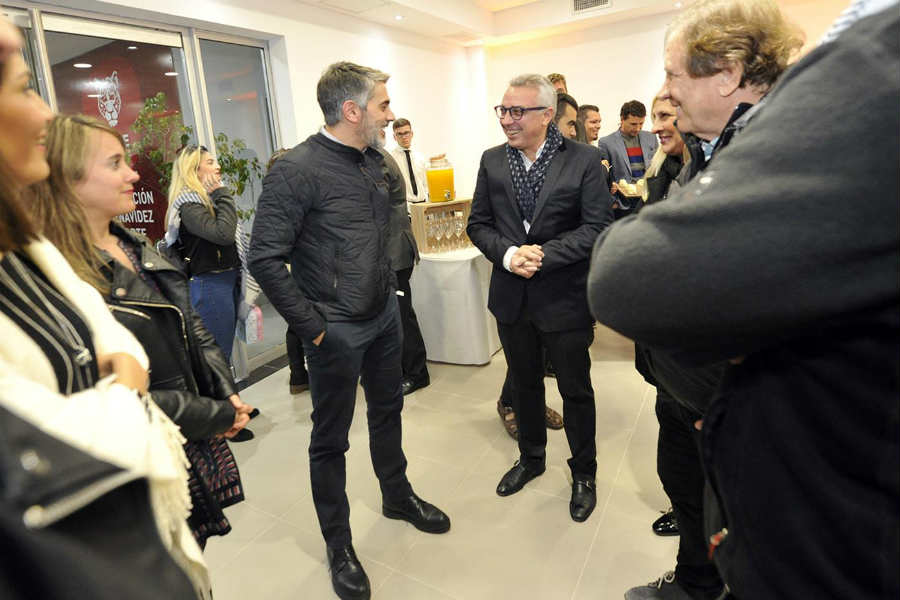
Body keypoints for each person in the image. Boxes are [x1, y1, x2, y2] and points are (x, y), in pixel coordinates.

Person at [588, 1, 898, 598]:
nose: (665, 93)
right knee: (695, 498)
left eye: (673, 74)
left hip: (802, 476)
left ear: (728, 74)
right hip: (705, 407)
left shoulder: (791, 146)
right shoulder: (705, 149)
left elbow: (630, 276)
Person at [0, 20, 210, 598]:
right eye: (23, 89)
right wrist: (124, 392)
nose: (45, 114)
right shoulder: (58, 253)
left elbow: (133, 340)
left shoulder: (28, 250)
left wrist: (122, 376)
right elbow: (50, 449)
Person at [249, 61, 450, 600]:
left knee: (388, 412)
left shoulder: (378, 162)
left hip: (383, 317)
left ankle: (397, 496)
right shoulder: (296, 170)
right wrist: (314, 328)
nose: (390, 115)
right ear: (352, 110)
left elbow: (383, 232)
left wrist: (390, 294)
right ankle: (339, 544)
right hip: (334, 329)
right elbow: (264, 257)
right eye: (383, 105)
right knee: (330, 439)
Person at [26, 114, 254, 548]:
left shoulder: (132, 242)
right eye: (115, 163)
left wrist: (224, 390)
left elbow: (189, 322)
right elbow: (119, 391)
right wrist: (213, 415)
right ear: (69, 179)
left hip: (183, 434)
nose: (133, 174)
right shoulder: (62, 275)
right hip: (141, 446)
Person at [467, 73, 613, 522]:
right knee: (524, 384)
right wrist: (509, 254)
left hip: (564, 299)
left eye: (517, 111)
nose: (506, 120)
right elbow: (478, 224)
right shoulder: (492, 161)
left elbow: (596, 227)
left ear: (547, 114)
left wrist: (543, 255)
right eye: (503, 110)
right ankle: (531, 458)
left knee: (575, 390)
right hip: (512, 298)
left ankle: (584, 473)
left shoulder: (584, 160)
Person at [165, 144, 258, 441]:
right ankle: (224, 422)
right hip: (210, 285)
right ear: (194, 169)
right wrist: (223, 194)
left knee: (223, 350)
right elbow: (223, 234)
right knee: (216, 356)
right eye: (210, 162)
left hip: (224, 281)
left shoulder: (204, 201)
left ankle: (233, 408)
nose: (217, 167)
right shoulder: (189, 204)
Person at [267, 147, 311, 395]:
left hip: (288, 269)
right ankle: (307, 375)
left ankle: (298, 375)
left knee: (295, 324)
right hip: (299, 269)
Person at [597, 100, 658, 213]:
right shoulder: (606, 143)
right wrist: (613, 201)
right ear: (622, 119)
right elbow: (603, 176)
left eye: (641, 124)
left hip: (648, 201)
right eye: (633, 124)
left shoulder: (651, 138)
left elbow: (658, 167)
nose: (638, 128)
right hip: (622, 204)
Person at [390, 118, 429, 204]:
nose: (404, 137)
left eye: (406, 133)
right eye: (399, 134)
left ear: (412, 134)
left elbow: (426, 183)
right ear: (394, 137)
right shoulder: (391, 160)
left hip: (423, 204)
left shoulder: (420, 157)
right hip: (404, 207)